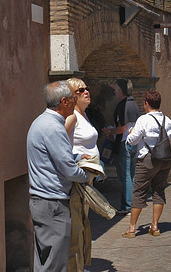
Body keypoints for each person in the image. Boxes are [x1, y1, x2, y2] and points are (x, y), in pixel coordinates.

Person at [27, 81, 90, 272]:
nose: (75, 102)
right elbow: (69, 170)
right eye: (73, 99)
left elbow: (54, 157)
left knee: (46, 261)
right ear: (64, 102)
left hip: (44, 201)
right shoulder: (53, 127)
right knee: (55, 264)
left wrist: (77, 157)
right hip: (52, 203)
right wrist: (87, 174)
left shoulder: (41, 122)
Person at [122, 90, 171, 238]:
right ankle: (155, 226)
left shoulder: (143, 120)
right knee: (159, 191)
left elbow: (132, 141)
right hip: (164, 159)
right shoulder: (168, 121)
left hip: (147, 159)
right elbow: (167, 136)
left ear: (146, 103)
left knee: (139, 192)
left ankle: (132, 228)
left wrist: (131, 132)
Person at [64, 78, 102, 272]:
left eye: (87, 88)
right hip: (77, 180)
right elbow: (58, 144)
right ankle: (74, 268)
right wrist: (76, 157)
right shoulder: (72, 117)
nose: (86, 91)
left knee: (84, 222)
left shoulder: (83, 115)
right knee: (76, 225)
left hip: (88, 178)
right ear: (73, 96)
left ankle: (81, 265)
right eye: (81, 90)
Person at [103, 79, 140, 215]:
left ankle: (128, 206)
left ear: (120, 90)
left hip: (124, 143)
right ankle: (130, 204)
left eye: (116, 89)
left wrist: (110, 131)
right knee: (130, 175)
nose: (114, 91)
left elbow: (122, 128)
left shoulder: (123, 106)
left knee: (125, 176)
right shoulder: (134, 105)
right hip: (132, 143)